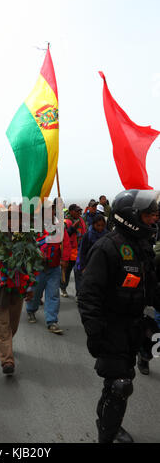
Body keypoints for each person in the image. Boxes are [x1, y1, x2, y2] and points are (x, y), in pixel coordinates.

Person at [77, 189, 160, 443]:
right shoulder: (106, 248)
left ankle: (109, 422)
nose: (153, 220)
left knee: (120, 383)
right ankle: (107, 434)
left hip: (134, 327)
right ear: (131, 217)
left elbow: (152, 288)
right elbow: (88, 296)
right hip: (110, 328)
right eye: (147, 216)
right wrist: (95, 333)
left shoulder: (143, 246)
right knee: (120, 384)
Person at [0, 205, 35, 375]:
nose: (13, 221)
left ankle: (6, 345)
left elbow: (31, 265)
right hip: (0, 287)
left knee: (13, 323)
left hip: (18, 288)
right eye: (10, 217)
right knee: (2, 323)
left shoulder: (26, 239)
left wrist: (30, 286)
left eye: (17, 217)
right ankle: (7, 360)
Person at [25, 200, 71, 334]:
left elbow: (66, 244)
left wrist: (65, 259)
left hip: (54, 268)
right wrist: (38, 253)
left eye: (51, 210)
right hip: (38, 268)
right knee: (36, 293)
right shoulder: (35, 227)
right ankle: (30, 310)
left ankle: (52, 321)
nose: (50, 212)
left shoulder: (59, 226)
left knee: (53, 295)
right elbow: (30, 245)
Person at [74, 214, 108, 296]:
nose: (100, 228)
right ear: (93, 224)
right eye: (98, 225)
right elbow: (82, 252)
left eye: (102, 225)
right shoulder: (87, 236)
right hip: (88, 264)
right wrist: (82, 267)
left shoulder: (107, 235)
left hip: (101, 265)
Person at [60, 204, 87, 298]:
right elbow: (63, 236)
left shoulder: (82, 220)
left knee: (79, 273)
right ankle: (63, 288)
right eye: (76, 211)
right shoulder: (66, 222)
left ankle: (79, 293)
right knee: (66, 272)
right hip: (70, 252)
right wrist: (72, 228)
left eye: (80, 211)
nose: (79, 212)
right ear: (71, 211)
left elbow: (84, 233)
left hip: (80, 251)